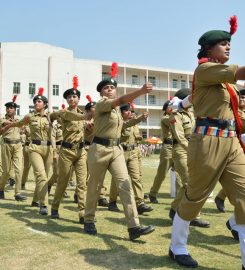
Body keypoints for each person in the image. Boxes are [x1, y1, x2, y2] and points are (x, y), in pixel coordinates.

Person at [169, 15, 245, 269]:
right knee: (196, 197)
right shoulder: (206, 69)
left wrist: (182, 103)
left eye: (229, 42)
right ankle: (177, 246)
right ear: (208, 49)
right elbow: (242, 72)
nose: (228, 46)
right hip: (209, 140)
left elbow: (195, 97)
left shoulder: (221, 81)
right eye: (223, 43)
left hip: (231, 140)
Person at [83, 75, 155, 240]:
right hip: (99, 148)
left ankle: (134, 226)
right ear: (101, 92)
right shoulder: (102, 103)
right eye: (106, 88)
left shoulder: (117, 111)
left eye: (112, 87)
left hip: (116, 149)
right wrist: (141, 91)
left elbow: (124, 125)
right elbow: (122, 99)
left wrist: (139, 118)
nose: (109, 89)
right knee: (95, 186)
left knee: (125, 185)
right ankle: (88, 220)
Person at [5, 88, 53, 214]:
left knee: (45, 177)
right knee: (41, 175)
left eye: (39, 101)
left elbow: (58, 126)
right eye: (35, 101)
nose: (37, 103)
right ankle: (43, 204)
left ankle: (35, 200)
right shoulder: (30, 116)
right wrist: (8, 126)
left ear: (45, 104)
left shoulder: (50, 116)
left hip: (48, 148)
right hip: (34, 148)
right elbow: (19, 123)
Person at [169, 88, 210, 228]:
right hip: (181, 150)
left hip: (194, 150)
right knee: (188, 183)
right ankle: (175, 210)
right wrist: (191, 148)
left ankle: (190, 214)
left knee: (195, 184)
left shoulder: (193, 113)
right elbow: (179, 136)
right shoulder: (175, 114)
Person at [50, 77, 88, 224]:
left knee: (82, 183)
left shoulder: (83, 115)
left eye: (74, 96)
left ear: (78, 99)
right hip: (66, 152)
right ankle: (55, 206)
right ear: (67, 100)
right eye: (69, 97)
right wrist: (84, 117)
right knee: (63, 181)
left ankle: (82, 213)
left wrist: (89, 126)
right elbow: (72, 115)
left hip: (81, 151)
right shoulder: (64, 113)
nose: (72, 98)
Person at [108, 104, 153, 214]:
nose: (130, 112)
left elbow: (136, 137)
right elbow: (128, 124)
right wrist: (140, 118)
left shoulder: (134, 123)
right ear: (122, 113)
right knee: (117, 179)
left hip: (133, 153)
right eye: (127, 111)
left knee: (136, 177)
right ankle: (112, 201)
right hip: (121, 152)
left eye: (131, 111)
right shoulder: (120, 122)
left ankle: (140, 203)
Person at [214, 88, 245, 213]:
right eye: (240, 97)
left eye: (244, 97)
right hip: (232, 147)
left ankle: (220, 197)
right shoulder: (231, 111)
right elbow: (231, 129)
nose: (242, 99)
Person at [149, 100, 180, 204]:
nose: (173, 108)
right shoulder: (165, 118)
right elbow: (174, 122)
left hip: (177, 147)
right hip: (168, 147)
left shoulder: (176, 116)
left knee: (180, 174)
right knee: (162, 173)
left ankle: (180, 197)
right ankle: (153, 193)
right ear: (166, 109)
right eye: (171, 106)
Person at [0, 96, 26, 201]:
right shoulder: (2, 119)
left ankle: (17, 193)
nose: (9, 109)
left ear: (15, 110)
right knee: (6, 171)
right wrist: (16, 124)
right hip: (6, 145)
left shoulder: (19, 120)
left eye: (11, 108)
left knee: (19, 169)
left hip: (18, 146)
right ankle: (1, 189)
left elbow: (24, 130)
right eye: (7, 108)